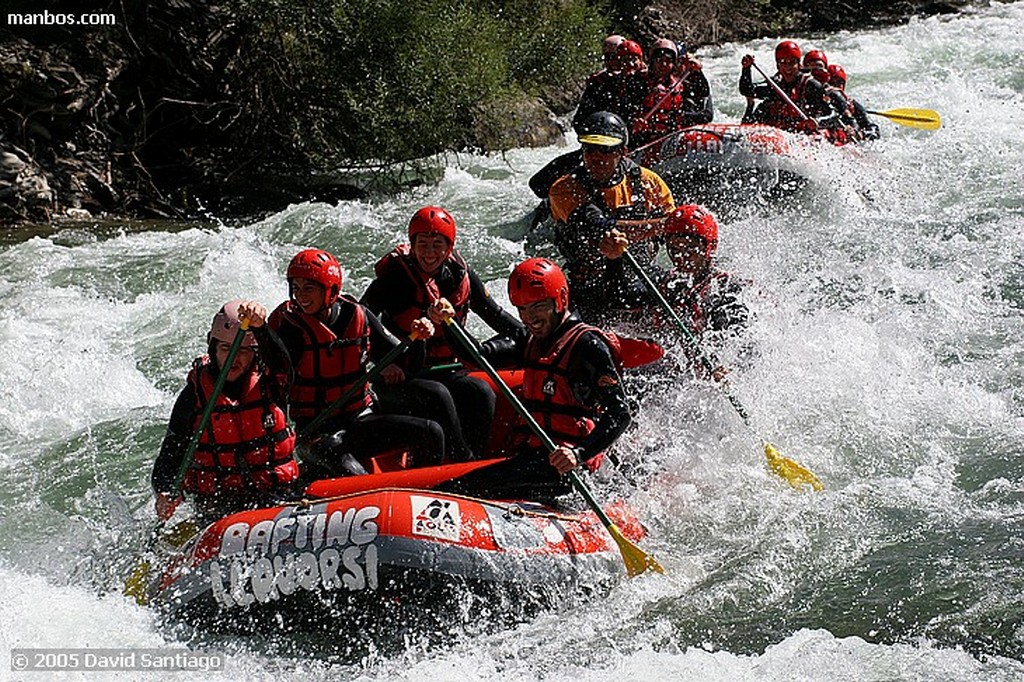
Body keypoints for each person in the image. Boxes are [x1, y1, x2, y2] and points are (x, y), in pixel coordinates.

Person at [436, 258, 632, 501]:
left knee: (458, 491)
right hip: (535, 459)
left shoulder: (588, 346)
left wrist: (578, 454)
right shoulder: (529, 340)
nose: (530, 317)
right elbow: (479, 356)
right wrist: (449, 323)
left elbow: (620, 412)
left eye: (538, 306)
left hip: (570, 469)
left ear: (560, 300)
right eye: (522, 309)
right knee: (461, 488)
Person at [362, 206, 525, 459]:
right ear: (412, 245)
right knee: (438, 395)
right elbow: (359, 320)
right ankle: (462, 461)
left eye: (437, 245)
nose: (429, 253)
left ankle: (473, 463)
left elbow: (495, 315)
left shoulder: (461, 275)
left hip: (445, 369)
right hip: (404, 375)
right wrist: (383, 362)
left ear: (449, 248)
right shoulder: (395, 278)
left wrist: (534, 337)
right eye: (422, 244)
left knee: (481, 391)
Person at [269, 248, 445, 476]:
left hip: (360, 420)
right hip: (315, 433)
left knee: (431, 431)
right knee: (344, 462)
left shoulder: (358, 315)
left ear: (330, 290)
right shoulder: (289, 328)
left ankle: (428, 491)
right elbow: (273, 387)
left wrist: (419, 338)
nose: (301, 296)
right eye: (296, 288)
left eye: (309, 288)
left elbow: (408, 364)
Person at [152, 300, 299, 525]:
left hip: (275, 493)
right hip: (219, 503)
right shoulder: (194, 394)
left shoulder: (272, 382)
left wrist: (261, 328)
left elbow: (283, 362)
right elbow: (171, 453)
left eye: (242, 351)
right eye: (225, 349)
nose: (234, 359)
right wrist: (164, 490)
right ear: (213, 348)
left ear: (254, 353)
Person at [547, 110, 675, 324]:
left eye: (605, 150)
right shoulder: (564, 189)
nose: (596, 157)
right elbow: (598, 226)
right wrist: (665, 225)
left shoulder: (649, 182)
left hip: (641, 275)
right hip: (590, 283)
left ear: (622, 151)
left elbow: (677, 233)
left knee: (680, 291)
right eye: (589, 149)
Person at [739, 40, 846, 135]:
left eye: (792, 63)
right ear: (777, 66)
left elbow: (833, 115)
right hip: (783, 133)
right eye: (783, 62)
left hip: (806, 135)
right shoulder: (775, 85)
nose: (788, 68)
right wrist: (746, 69)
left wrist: (818, 121)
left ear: (799, 65)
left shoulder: (811, 85)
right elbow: (747, 90)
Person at [631, 38, 714, 149]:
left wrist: (698, 73)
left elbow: (703, 92)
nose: (663, 64)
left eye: (668, 61)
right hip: (642, 140)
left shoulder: (680, 85)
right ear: (652, 61)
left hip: (670, 139)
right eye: (659, 60)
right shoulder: (638, 82)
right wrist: (632, 121)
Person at [829, 64, 881, 140]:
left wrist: (861, 134)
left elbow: (872, 128)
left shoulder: (851, 104)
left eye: (839, 82)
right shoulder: (815, 98)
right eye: (832, 82)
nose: (835, 85)